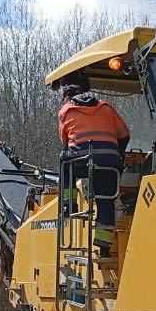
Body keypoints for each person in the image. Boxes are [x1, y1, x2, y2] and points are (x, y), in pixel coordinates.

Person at [58, 77, 130, 253]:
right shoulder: (106, 107)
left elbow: (65, 140)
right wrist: (116, 155)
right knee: (106, 202)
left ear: (67, 97)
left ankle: (69, 205)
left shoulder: (66, 111)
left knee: (64, 163)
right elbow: (125, 134)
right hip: (109, 163)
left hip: (82, 160)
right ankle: (104, 247)